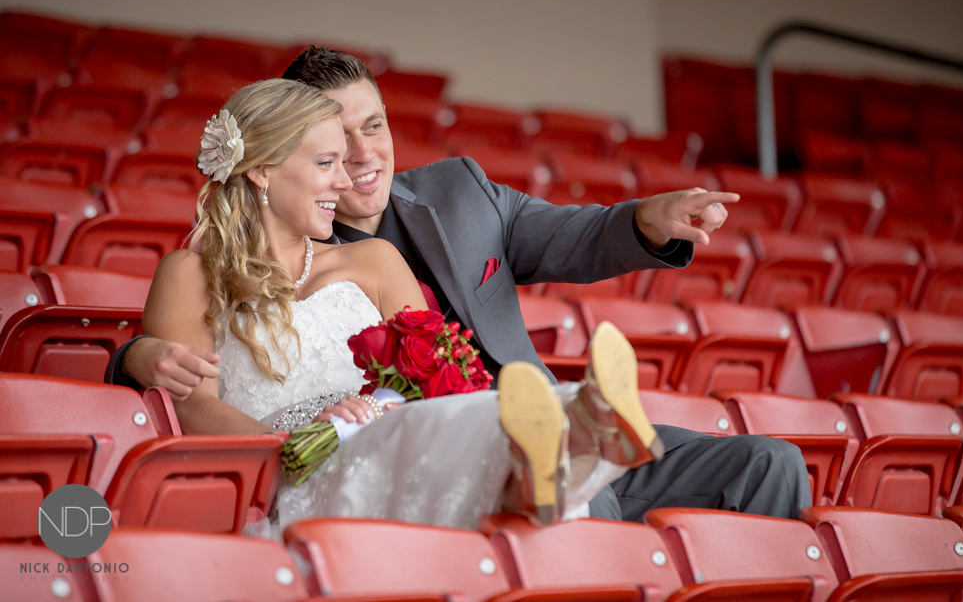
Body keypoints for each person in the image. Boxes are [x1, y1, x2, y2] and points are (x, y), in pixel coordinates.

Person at [108, 47, 811, 522]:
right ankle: (567, 452)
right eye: (327, 149)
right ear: (279, 158)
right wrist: (135, 356)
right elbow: (185, 381)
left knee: (772, 464)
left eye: (372, 127)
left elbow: (560, 247)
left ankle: (574, 437)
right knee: (533, 477)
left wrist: (646, 221)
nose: (355, 159)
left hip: (480, 420)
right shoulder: (206, 270)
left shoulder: (448, 203)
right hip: (411, 458)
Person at [145, 77, 663, 533]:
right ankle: (568, 443)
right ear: (261, 171)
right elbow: (192, 404)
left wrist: (372, 409)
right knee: (405, 454)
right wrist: (303, 440)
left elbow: (440, 376)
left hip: (398, 444)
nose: (344, 181)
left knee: (434, 428)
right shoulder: (190, 274)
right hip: (288, 471)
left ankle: (564, 439)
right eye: (327, 163)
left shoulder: (375, 261)